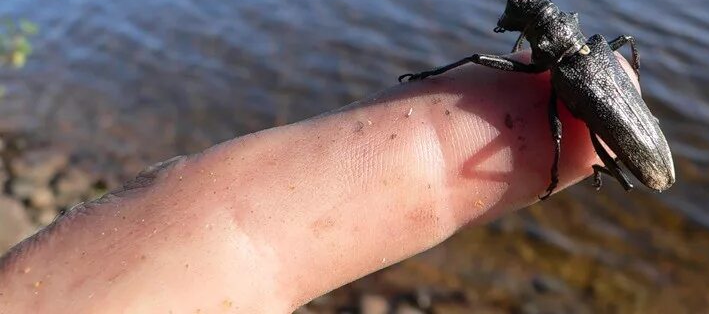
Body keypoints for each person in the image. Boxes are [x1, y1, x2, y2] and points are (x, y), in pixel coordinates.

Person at [0, 54, 638, 313]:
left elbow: (484, 66)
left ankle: (575, 168)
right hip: (601, 104)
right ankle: (579, 166)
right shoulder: (565, 60)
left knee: (558, 144)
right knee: (559, 135)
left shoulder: (562, 72)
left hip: (618, 131)